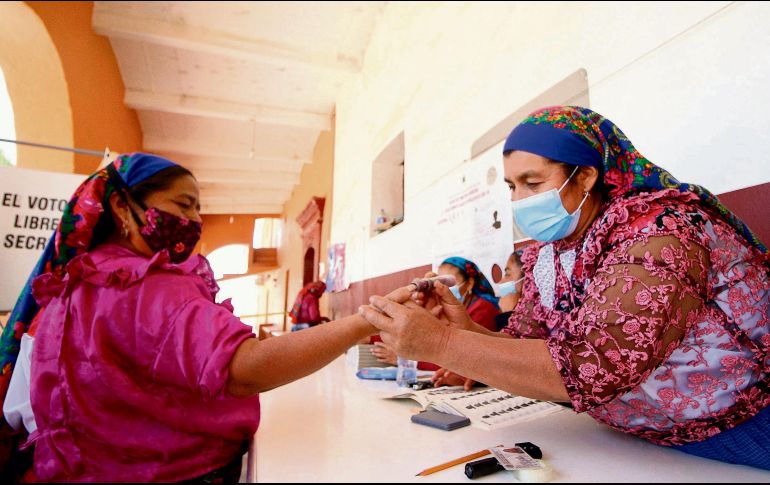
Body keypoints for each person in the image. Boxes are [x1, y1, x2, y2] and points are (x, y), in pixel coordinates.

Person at [360, 106, 770, 470]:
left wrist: (442, 344)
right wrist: (465, 332)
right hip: (638, 439)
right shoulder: (551, 254)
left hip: (743, 425)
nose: (519, 200)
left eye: (532, 183)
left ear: (587, 175)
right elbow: (527, 347)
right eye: (511, 187)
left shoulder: (662, 231)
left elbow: (594, 367)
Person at [0, 153, 391, 482]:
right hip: (173, 472)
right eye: (183, 204)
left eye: (197, 208)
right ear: (122, 206)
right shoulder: (147, 285)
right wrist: (366, 320)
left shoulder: (76, 284)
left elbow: (28, 404)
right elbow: (244, 369)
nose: (195, 220)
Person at [370, 257, 500, 371]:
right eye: (440, 282)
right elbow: (414, 331)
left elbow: (470, 358)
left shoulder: (484, 308)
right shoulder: (445, 308)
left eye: (449, 283)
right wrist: (371, 337)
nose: (443, 287)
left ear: (470, 283)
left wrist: (405, 360)